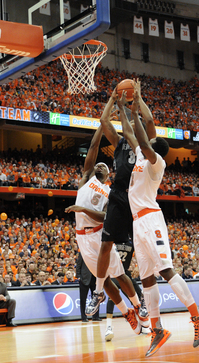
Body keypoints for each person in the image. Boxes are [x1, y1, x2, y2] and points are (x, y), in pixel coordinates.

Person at [118, 83, 199, 357]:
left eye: (148, 145)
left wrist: (135, 111)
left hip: (151, 220)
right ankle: (157, 329)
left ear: (155, 151)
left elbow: (145, 138)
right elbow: (129, 132)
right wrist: (123, 107)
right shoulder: (139, 157)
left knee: (165, 271)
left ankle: (197, 316)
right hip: (138, 223)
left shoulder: (156, 163)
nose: (142, 145)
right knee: (146, 279)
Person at [65, 125, 143, 336]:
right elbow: (93, 147)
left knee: (119, 274)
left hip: (99, 235)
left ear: (108, 174)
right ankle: (127, 313)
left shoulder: (110, 191)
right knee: (105, 281)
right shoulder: (85, 181)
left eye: (104, 166)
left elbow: (106, 218)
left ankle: (138, 305)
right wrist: (100, 128)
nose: (99, 166)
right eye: (97, 164)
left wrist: (82, 209)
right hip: (83, 239)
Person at [86, 83, 153, 327]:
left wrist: (132, 104)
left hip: (137, 199)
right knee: (106, 245)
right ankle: (98, 291)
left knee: (144, 253)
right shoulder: (120, 144)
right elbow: (104, 121)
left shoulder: (145, 147)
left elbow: (142, 121)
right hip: (118, 197)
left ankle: (144, 301)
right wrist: (113, 99)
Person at [105, 239, 148, 341]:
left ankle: (142, 324)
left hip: (125, 275)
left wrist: (137, 266)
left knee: (139, 295)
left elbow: (139, 253)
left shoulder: (131, 241)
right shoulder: (112, 239)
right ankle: (108, 327)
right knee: (111, 299)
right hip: (114, 274)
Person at [76, 253, 102, 322]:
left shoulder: (96, 253)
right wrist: (78, 277)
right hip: (84, 279)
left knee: (96, 299)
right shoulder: (83, 252)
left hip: (94, 278)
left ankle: (96, 316)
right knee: (83, 299)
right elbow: (78, 265)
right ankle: (84, 317)